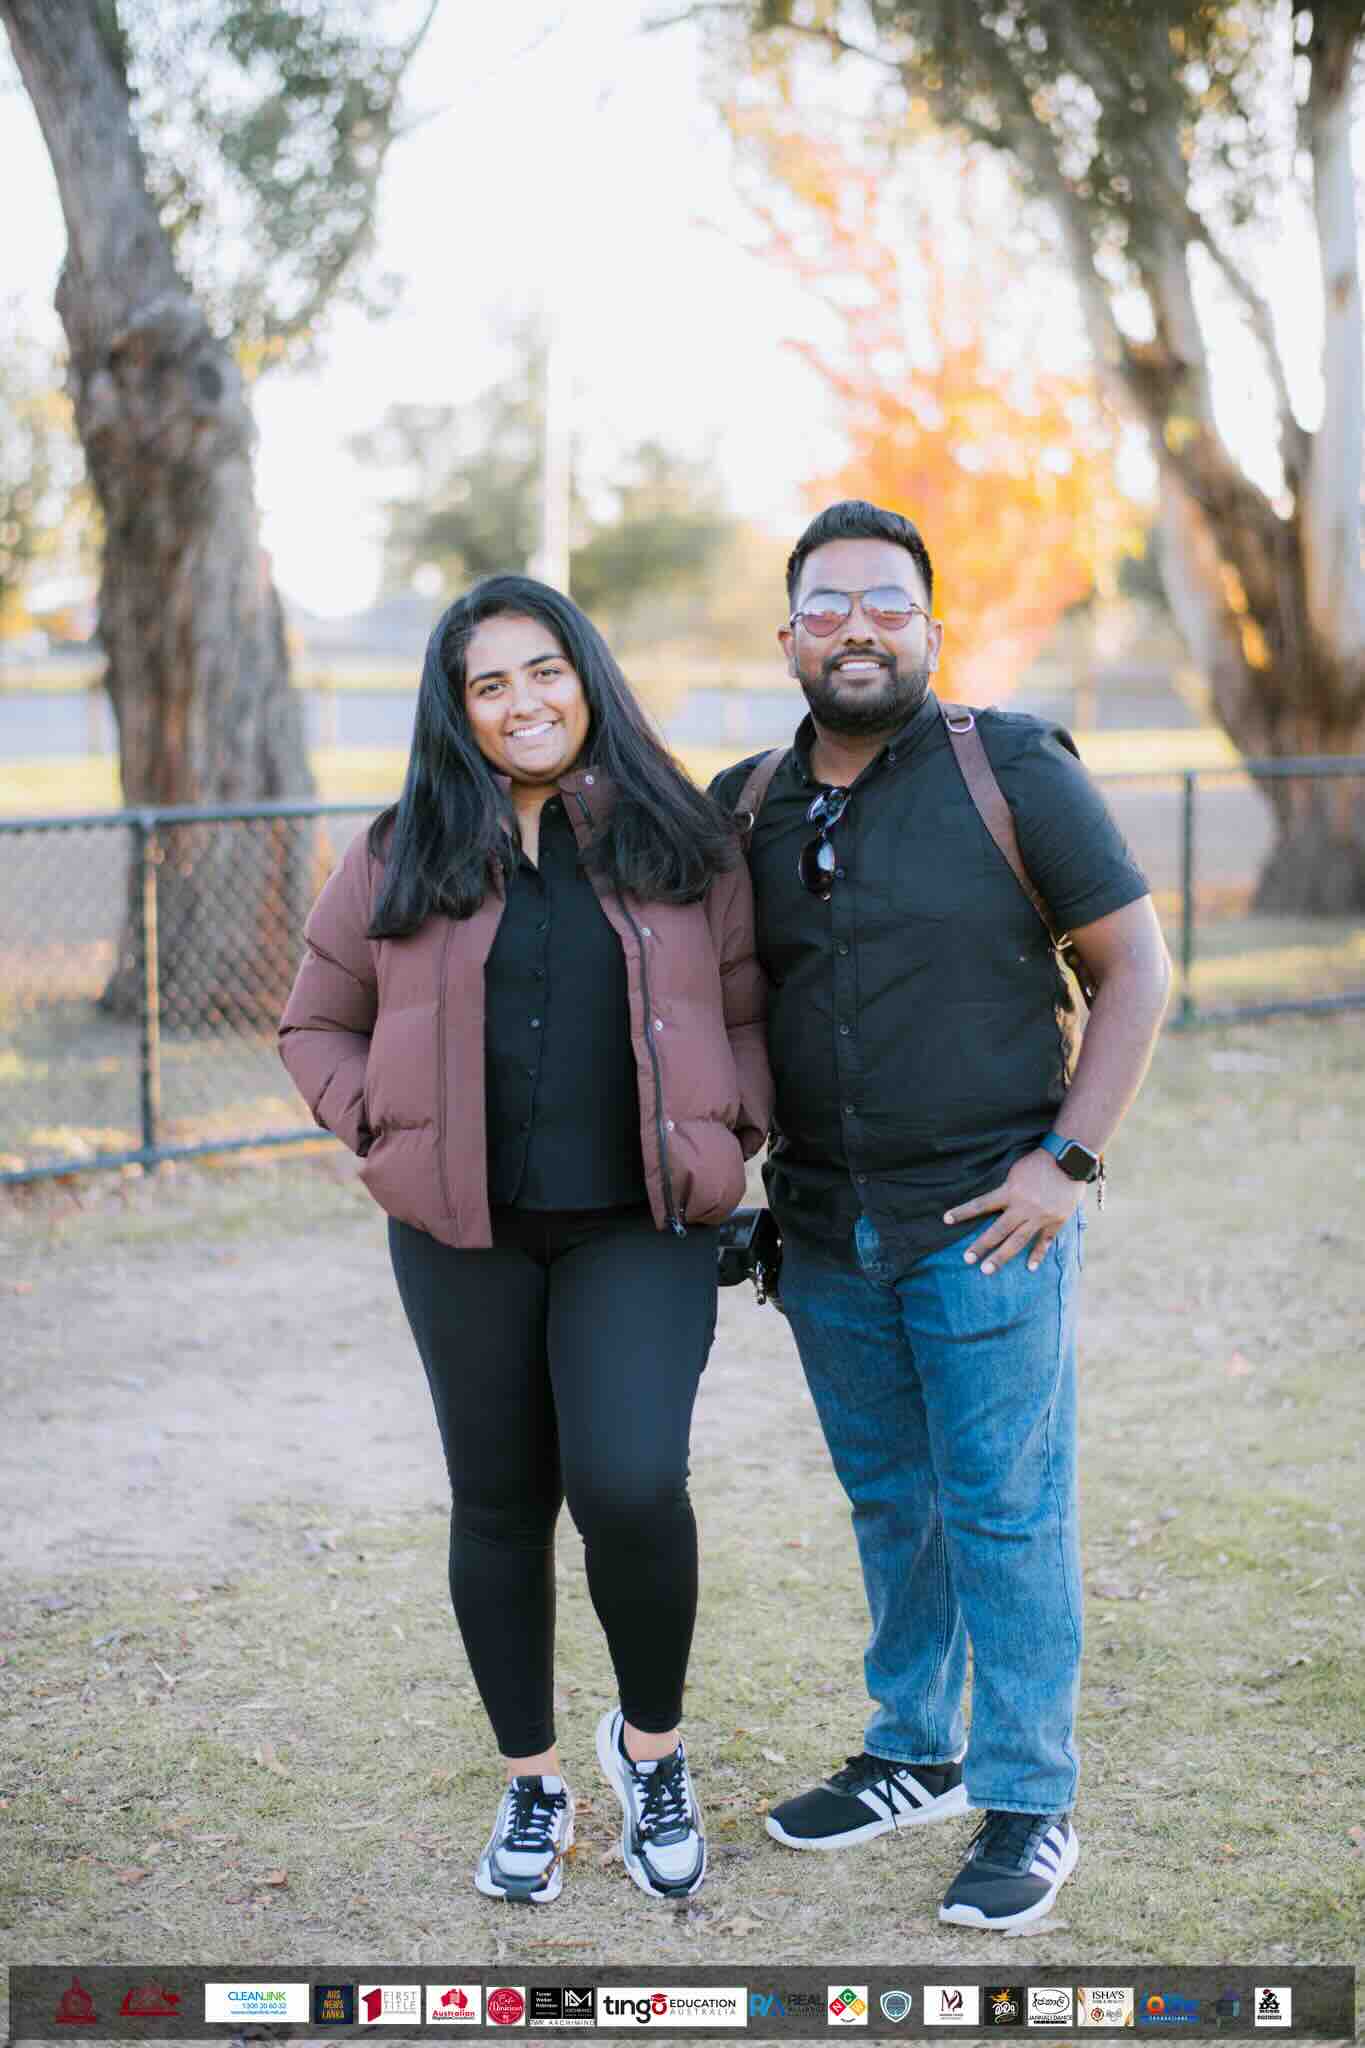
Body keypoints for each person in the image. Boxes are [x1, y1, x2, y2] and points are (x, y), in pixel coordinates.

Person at [709, 500, 1171, 1932]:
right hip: (823, 1224)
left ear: (926, 626)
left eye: (886, 603)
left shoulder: (1011, 768)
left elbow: (1135, 973)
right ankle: (912, 1752)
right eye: (828, 604)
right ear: (788, 635)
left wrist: (1065, 1165)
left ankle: (1027, 1795)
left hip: (987, 1217)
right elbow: (717, 1008)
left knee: (1004, 1510)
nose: (857, 625)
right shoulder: (744, 804)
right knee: (891, 1504)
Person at [280, 574, 770, 1907]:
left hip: (644, 1225)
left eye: (540, 670)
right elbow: (311, 1022)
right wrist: (374, 1127)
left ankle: (651, 1753)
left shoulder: (684, 840)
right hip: (462, 1234)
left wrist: (733, 1134)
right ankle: (531, 1784)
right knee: (498, 1505)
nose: (521, 702)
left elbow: (744, 1012)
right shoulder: (401, 850)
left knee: (626, 1486)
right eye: (486, 683)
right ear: (457, 711)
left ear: (584, 674)